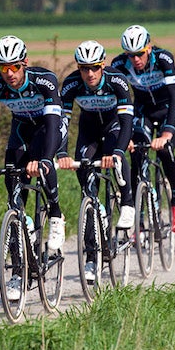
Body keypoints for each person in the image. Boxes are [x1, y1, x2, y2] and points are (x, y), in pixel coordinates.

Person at [0, 36, 65, 301]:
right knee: (14, 199)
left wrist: (46, 159)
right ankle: (18, 271)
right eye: (3, 68)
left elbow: (52, 123)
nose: (9, 73)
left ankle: (56, 217)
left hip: (49, 129)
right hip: (21, 131)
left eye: (14, 67)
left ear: (25, 63)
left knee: (44, 170)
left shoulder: (44, 80)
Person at [56, 40, 135, 283]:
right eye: (83, 68)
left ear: (102, 66)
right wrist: (61, 152)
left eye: (94, 68)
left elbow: (127, 121)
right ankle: (92, 257)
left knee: (118, 159)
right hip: (88, 131)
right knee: (87, 194)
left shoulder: (117, 80)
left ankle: (127, 203)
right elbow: (62, 122)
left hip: (114, 127)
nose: (89, 74)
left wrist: (120, 151)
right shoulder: (71, 84)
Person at [110, 25, 175, 232]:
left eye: (140, 54)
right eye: (131, 55)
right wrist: (125, 137)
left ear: (149, 48)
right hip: (143, 110)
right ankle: (140, 219)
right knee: (136, 154)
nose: (135, 60)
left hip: (168, 108)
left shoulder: (163, 59)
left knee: (165, 150)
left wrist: (167, 132)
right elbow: (117, 100)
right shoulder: (119, 64)